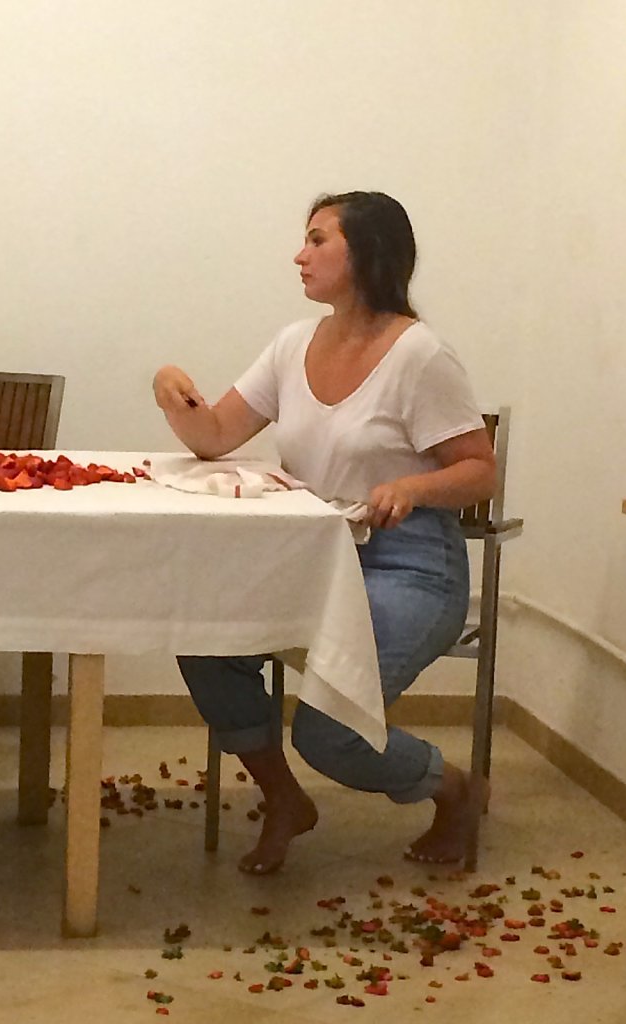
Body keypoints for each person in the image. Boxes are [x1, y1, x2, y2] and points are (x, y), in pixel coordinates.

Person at [152, 191, 497, 872]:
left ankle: (454, 789)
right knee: (203, 638)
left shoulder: (420, 355)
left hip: (411, 567)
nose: (299, 255)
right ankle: (286, 800)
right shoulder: (292, 344)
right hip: (314, 556)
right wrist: (172, 393)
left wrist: (413, 487)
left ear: (364, 253)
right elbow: (216, 435)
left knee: (328, 733)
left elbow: (481, 472)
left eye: (317, 240)